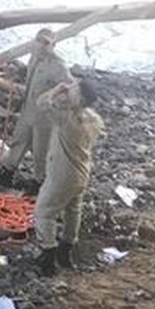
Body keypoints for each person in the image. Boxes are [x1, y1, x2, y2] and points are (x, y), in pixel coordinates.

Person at [34, 75, 104, 275]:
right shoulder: (94, 119)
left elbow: (42, 103)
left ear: (80, 99)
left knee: (44, 212)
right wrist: (69, 95)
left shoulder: (67, 118)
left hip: (61, 175)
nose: (69, 86)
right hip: (81, 173)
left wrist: (56, 90)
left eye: (74, 87)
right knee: (73, 210)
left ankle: (48, 256)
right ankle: (66, 250)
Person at [0, 29, 69, 189]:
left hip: (44, 117)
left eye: (46, 43)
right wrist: (16, 73)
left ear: (53, 45)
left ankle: (39, 182)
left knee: (40, 152)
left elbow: (69, 89)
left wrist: (53, 101)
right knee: (19, 141)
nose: (42, 45)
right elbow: (30, 75)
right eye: (39, 40)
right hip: (27, 109)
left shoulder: (59, 66)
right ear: (34, 40)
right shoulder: (34, 56)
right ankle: (8, 171)